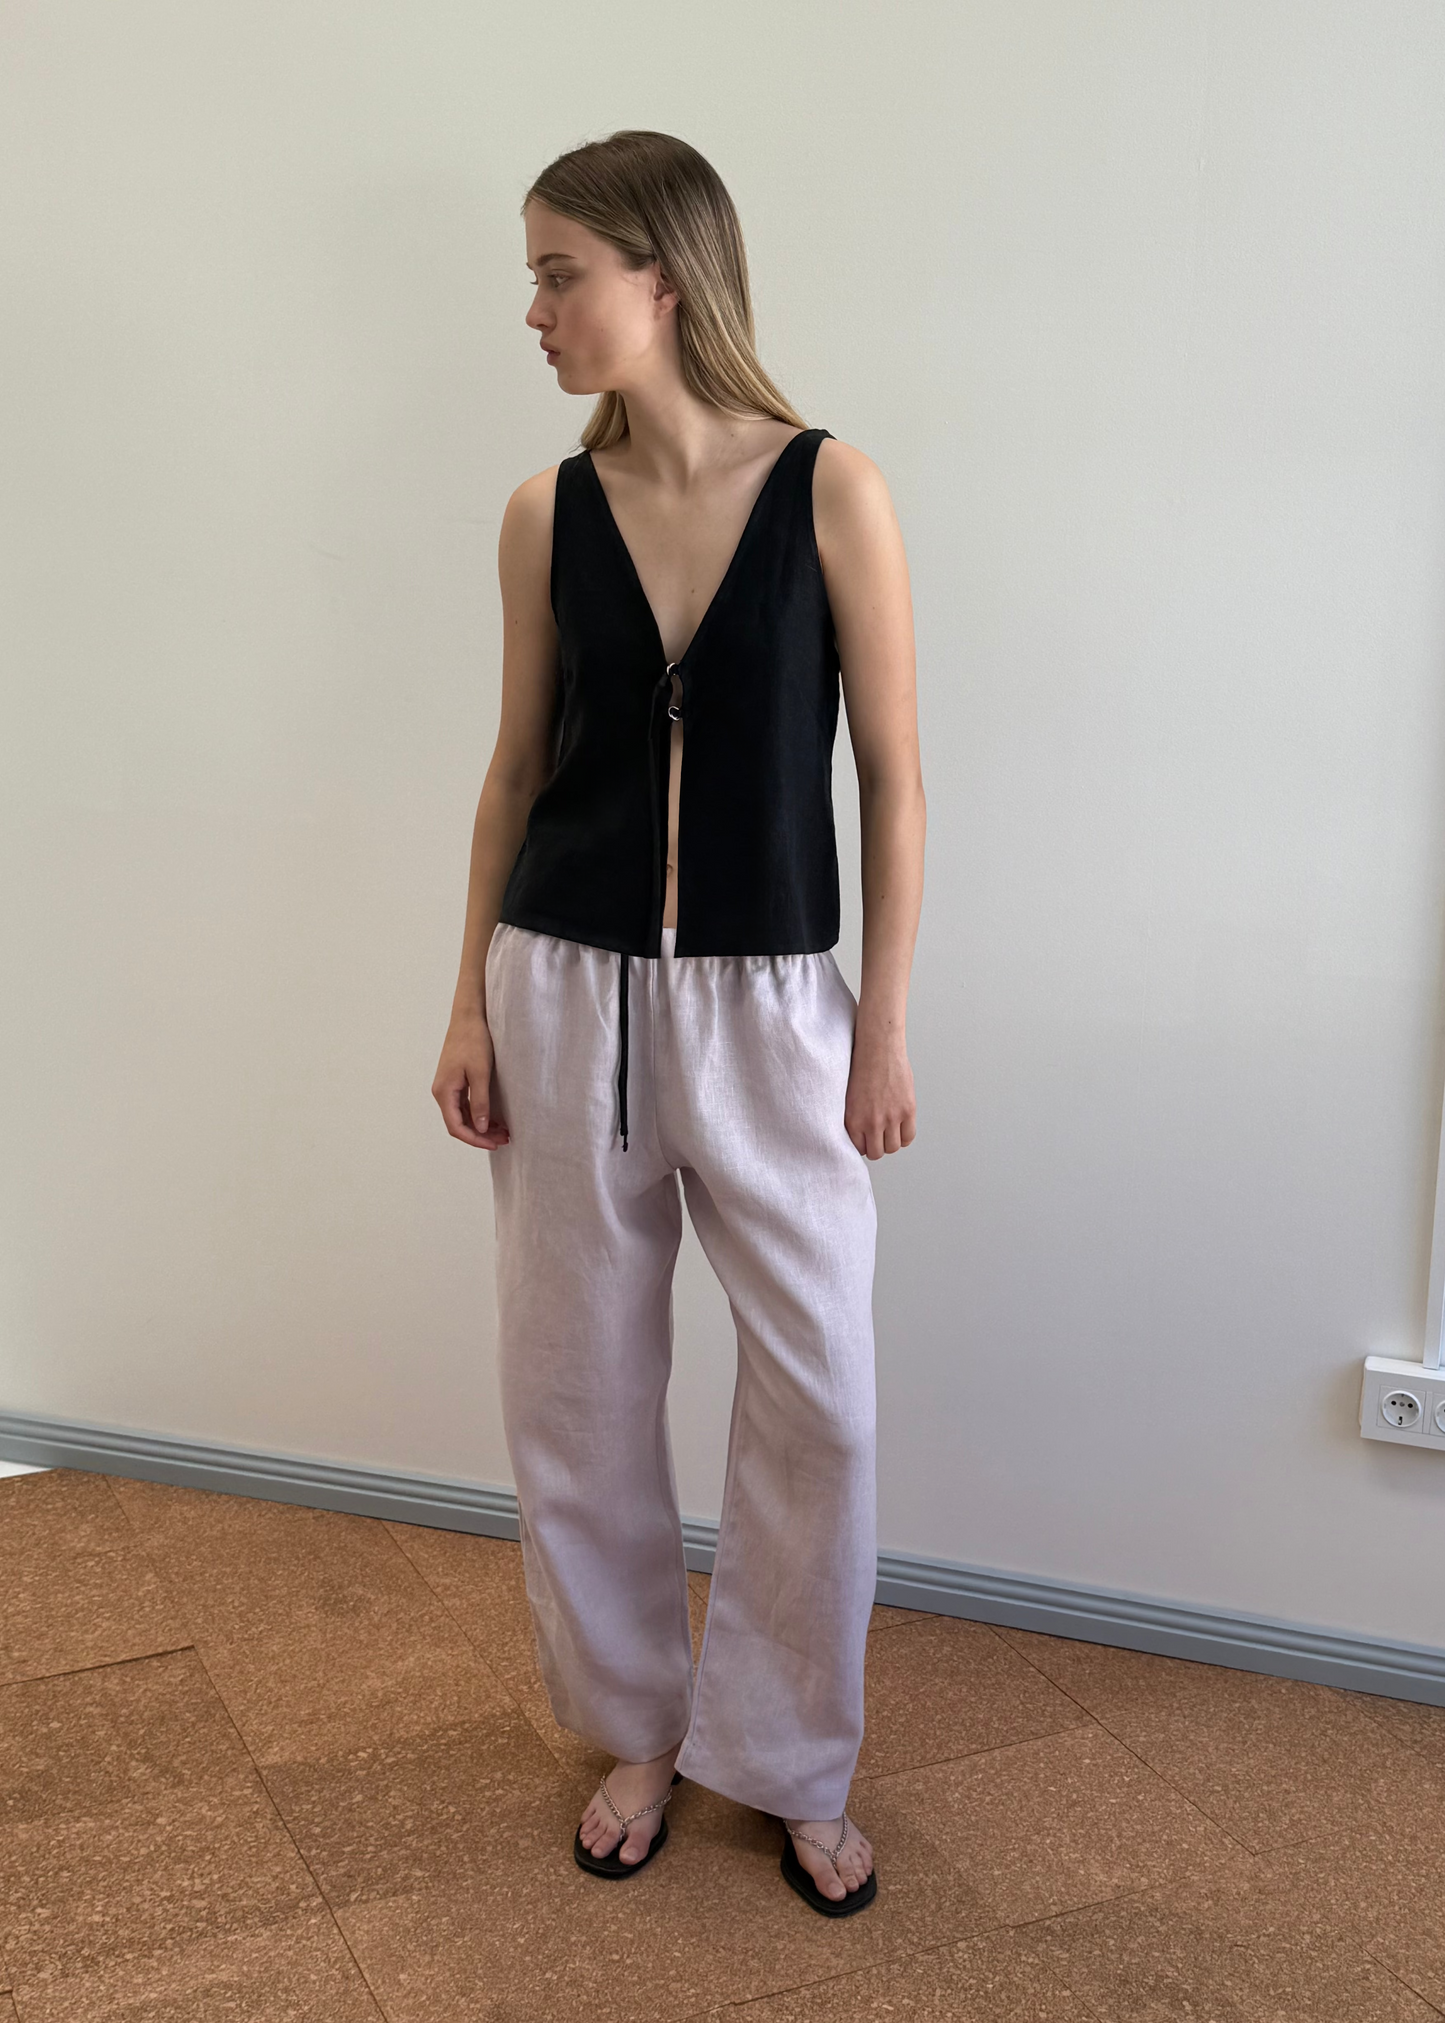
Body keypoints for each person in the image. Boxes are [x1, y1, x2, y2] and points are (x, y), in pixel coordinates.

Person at [432, 129, 924, 1916]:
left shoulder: (835, 488)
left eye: (562, 269)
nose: (538, 309)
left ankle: (791, 1750)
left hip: (779, 999)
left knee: (825, 1397)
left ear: (665, 272)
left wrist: (879, 1025)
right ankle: (638, 1721)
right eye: (537, 273)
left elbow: (897, 782)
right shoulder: (542, 514)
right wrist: (465, 1002)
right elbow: (512, 769)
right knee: (575, 1383)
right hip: (559, 988)